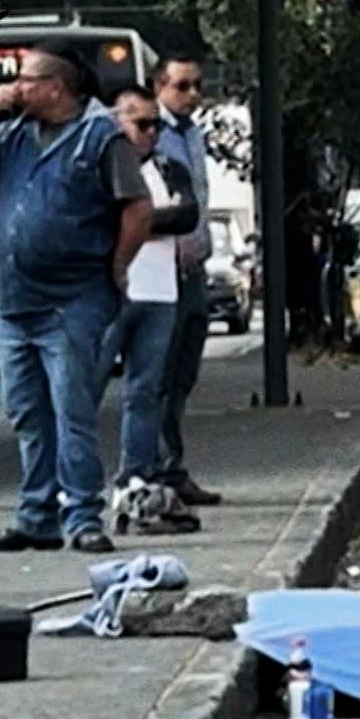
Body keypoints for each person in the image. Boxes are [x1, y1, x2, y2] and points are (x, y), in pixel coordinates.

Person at [0, 41, 155, 555]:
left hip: (73, 300)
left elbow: (138, 207)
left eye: (27, 80)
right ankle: (36, 515)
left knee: (71, 410)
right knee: (27, 412)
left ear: (56, 87)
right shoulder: (14, 135)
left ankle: (82, 516)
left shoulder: (101, 137)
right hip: (16, 303)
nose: (17, 87)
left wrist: (118, 266)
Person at [98, 82, 203, 534]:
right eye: (141, 124)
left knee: (146, 392)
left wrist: (137, 218)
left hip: (160, 293)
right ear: (117, 122)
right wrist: (143, 220)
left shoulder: (167, 167)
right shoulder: (101, 166)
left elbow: (187, 214)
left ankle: (135, 475)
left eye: (156, 124)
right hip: (113, 293)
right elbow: (99, 218)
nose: (151, 133)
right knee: (85, 388)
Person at [153, 54, 224, 508]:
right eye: (182, 86)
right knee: (157, 375)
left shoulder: (193, 134)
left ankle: (169, 465)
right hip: (162, 271)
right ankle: (158, 470)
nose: (193, 94)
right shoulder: (150, 132)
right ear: (160, 86)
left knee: (183, 374)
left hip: (194, 269)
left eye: (197, 85)